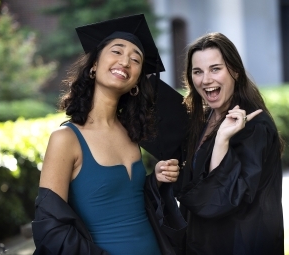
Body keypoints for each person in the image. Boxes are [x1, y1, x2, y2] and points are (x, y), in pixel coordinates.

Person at [31, 14, 186, 255]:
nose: (125, 61)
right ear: (94, 65)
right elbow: (50, 228)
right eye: (117, 51)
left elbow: (128, 200)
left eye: (136, 59)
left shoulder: (132, 134)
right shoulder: (66, 140)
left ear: (135, 82)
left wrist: (155, 180)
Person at [173, 32, 285, 254]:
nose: (206, 79)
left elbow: (222, 198)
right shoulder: (203, 120)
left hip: (238, 244)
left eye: (215, 69)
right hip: (201, 242)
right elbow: (192, 184)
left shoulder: (253, 127)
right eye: (198, 71)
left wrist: (223, 140)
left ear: (234, 70)